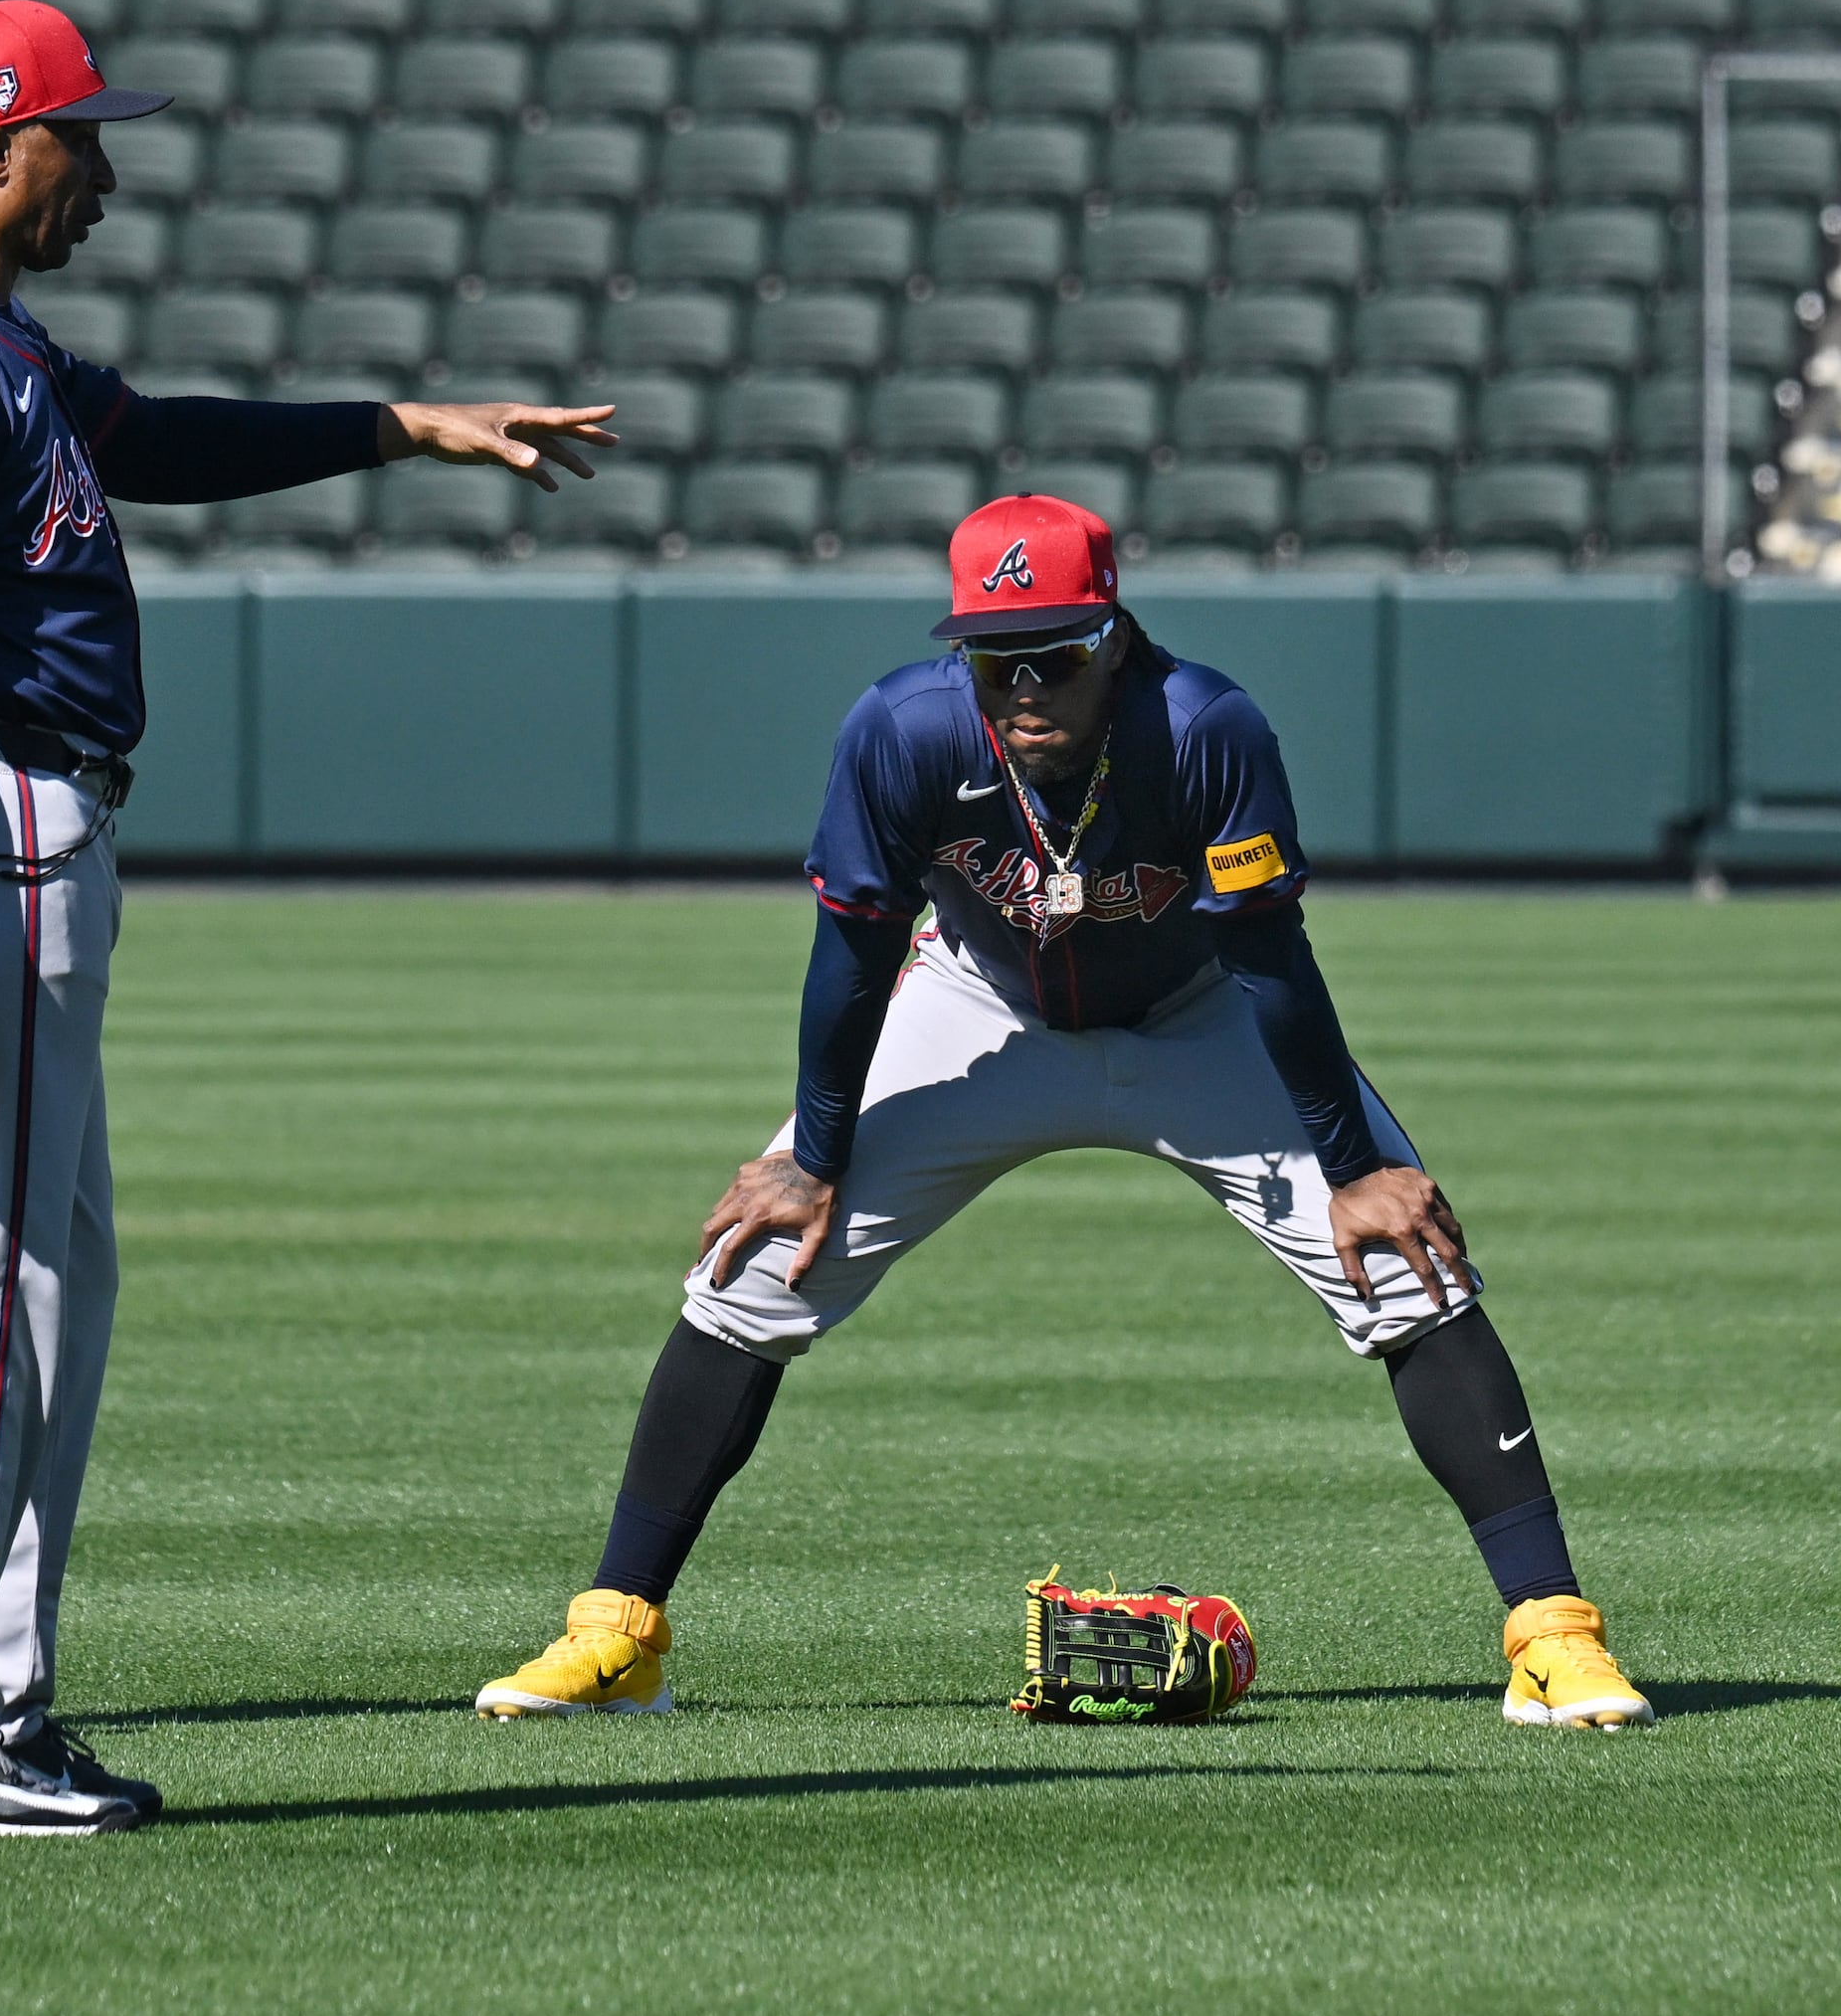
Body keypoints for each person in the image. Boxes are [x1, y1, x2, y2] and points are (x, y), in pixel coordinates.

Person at [0, 0, 618, 1837]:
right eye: (81, 136)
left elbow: (159, 439)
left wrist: (413, 426)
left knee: (58, 1292)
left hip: (26, 809)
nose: (106, 166)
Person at [474, 493, 1655, 1732]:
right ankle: (616, 1639)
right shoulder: (904, 728)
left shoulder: (1202, 727)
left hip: (1201, 1017)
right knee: (759, 1266)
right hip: (979, 1006)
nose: (1027, 683)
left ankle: (1552, 1638)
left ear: (1116, 636)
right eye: (997, 655)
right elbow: (852, 953)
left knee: (1408, 1272)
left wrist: (1354, 1163)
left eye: (1058, 652)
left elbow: (1268, 959)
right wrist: (815, 1155)